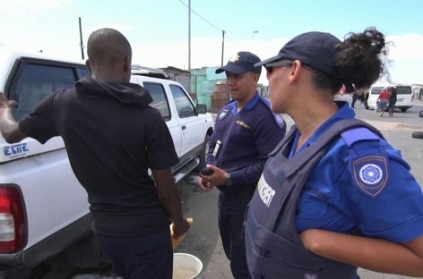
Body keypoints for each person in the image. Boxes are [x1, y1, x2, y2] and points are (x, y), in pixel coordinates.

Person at [0, 28, 190, 279]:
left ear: (89, 64)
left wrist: (4, 110)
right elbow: (165, 189)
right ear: (127, 62)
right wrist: (178, 222)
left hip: (106, 234)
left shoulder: (61, 104)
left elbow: (11, 134)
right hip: (146, 232)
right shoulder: (148, 116)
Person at [244, 27, 423, 279]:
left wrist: (319, 241)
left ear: (294, 70)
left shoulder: (358, 154)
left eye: (271, 69)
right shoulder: (296, 136)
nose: (267, 79)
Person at [198, 51, 286, 278]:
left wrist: (228, 178)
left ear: (256, 77)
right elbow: (213, 145)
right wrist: (209, 170)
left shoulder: (266, 117)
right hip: (225, 199)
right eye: (228, 75)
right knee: (231, 252)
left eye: (237, 76)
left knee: (244, 264)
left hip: (248, 202)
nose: (230, 81)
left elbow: (269, 166)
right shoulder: (227, 110)